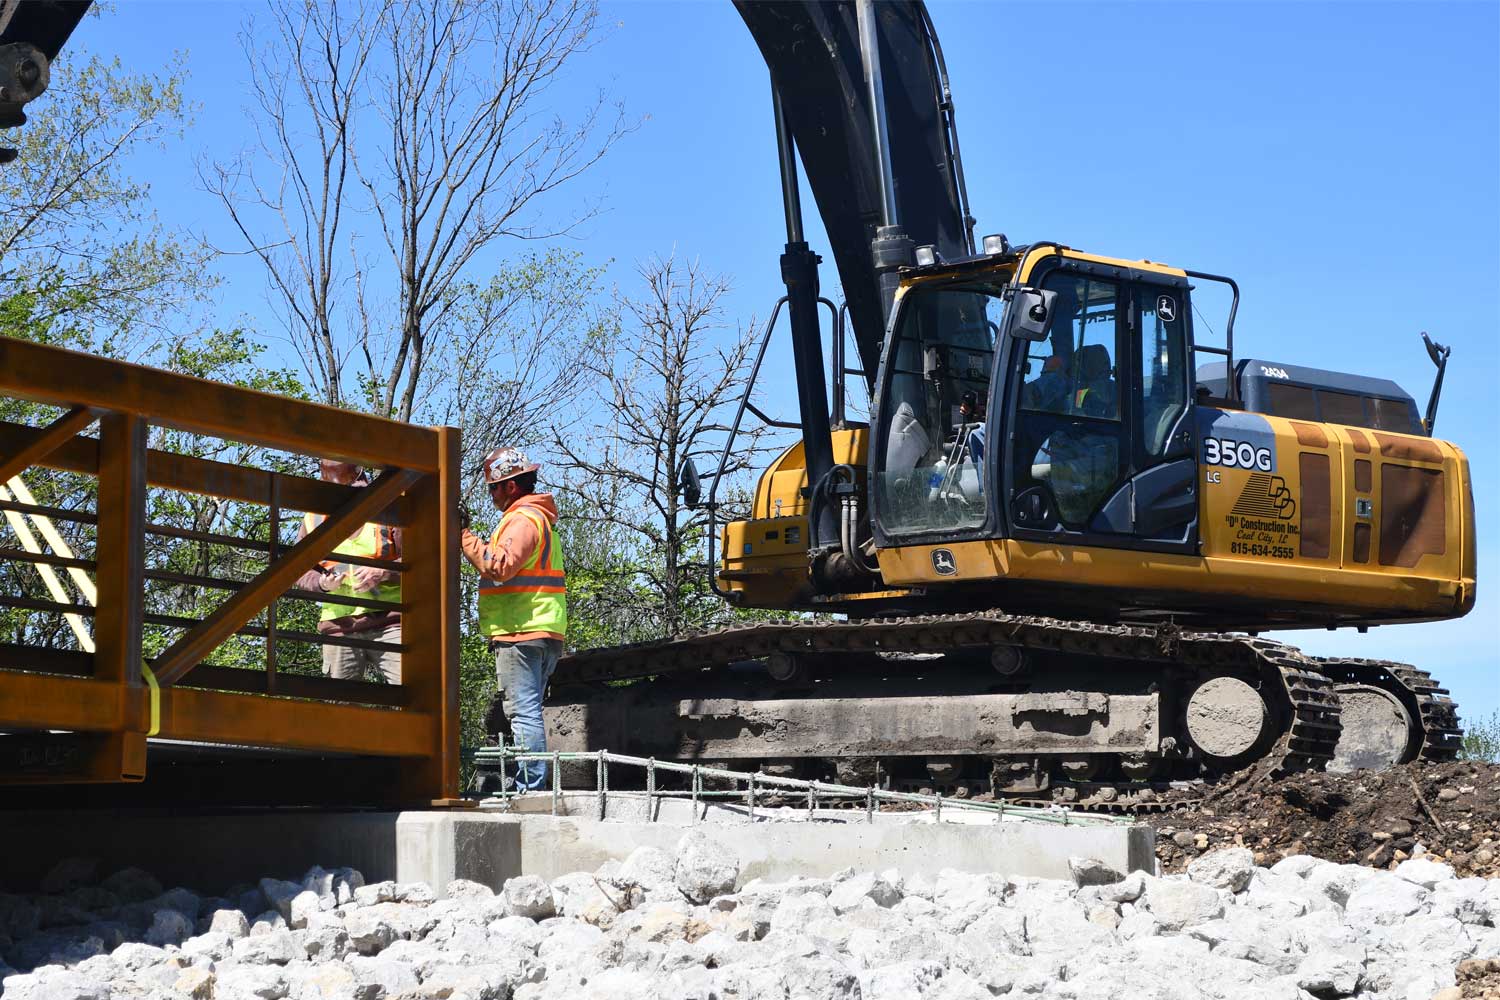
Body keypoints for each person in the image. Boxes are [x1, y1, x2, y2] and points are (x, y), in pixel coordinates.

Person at [459, 446, 567, 792]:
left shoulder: (522, 520)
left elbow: (500, 566)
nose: (491, 494)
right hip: (541, 628)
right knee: (530, 710)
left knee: (523, 713)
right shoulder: (539, 518)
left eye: (493, 487)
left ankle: (531, 788)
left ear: (510, 486)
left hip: (521, 631)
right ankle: (532, 784)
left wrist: (463, 536)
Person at [295, 459, 402, 683]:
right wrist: (322, 584)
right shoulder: (313, 518)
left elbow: (421, 560)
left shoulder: (389, 506)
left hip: (389, 624)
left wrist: (383, 571)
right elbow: (298, 569)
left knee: (413, 697)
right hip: (339, 627)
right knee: (339, 710)